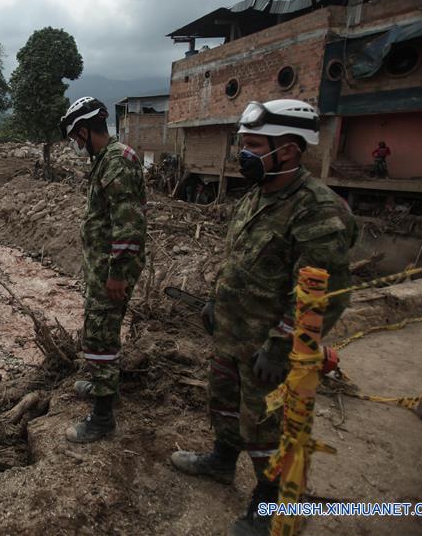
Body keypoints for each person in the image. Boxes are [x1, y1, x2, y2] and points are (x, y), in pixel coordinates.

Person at [171, 99, 357, 536]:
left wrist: (280, 346)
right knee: (224, 406)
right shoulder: (257, 196)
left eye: (254, 144)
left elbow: (324, 293)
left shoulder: (318, 210)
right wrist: (216, 302)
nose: (244, 153)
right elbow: (238, 260)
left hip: (269, 348)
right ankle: (221, 460)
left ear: (289, 150)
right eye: (244, 144)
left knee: (265, 425)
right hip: (232, 336)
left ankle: (269, 500)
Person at [58, 96, 147, 443]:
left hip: (112, 268)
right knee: (101, 327)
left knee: (100, 334)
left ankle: (102, 417)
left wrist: (117, 274)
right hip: (103, 266)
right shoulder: (108, 159)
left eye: (75, 138)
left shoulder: (116, 162)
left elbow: (128, 223)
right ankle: (100, 383)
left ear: (83, 131)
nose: (76, 145)